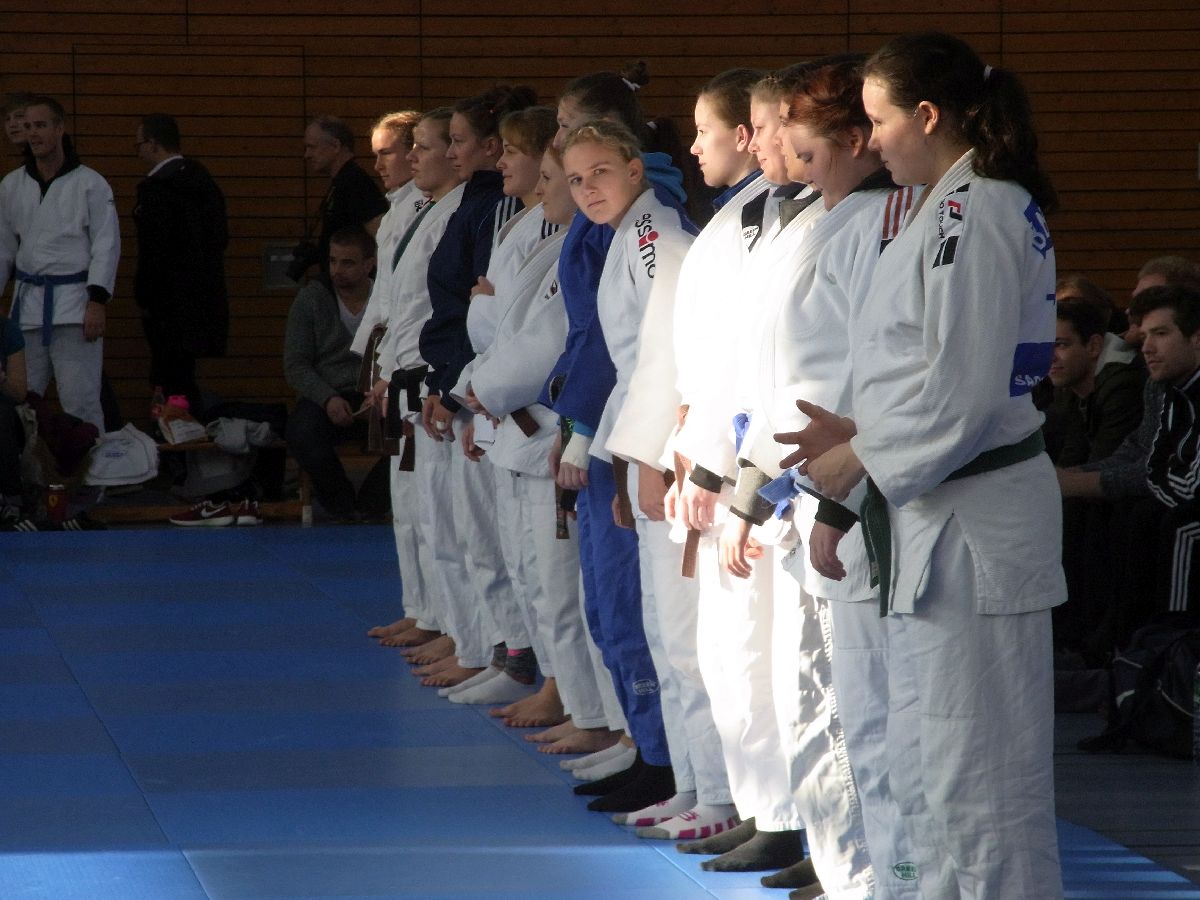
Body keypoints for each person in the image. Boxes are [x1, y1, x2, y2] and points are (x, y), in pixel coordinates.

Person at [789, 32, 1066, 896]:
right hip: (941, 516)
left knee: (977, 780)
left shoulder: (972, 211)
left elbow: (964, 391)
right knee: (929, 765)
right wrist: (862, 430)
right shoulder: (953, 206)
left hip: (972, 525)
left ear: (929, 115)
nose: (872, 142)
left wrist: (862, 455)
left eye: (879, 121)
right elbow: (930, 372)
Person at [415, 85, 536, 690]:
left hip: (485, 388)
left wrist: (456, 389)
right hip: (465, 380)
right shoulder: (477, 206)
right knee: (470, 537)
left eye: (459, 141)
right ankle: (489, 647)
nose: (450, 152)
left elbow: (489, 313)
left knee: (493, 542)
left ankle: (510, 655)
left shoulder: (497, 210)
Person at [364, 107, 467, 663]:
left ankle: (451, 625)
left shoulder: (456, 213)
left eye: (418, 147)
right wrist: (383, 367)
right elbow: (396, 303)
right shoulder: (418, 209)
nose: (411, 158)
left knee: (439, 516)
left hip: (432, 374)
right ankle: (425, 610)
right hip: (406, 369)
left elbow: (431, 309)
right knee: (410, 508)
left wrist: (398, 367)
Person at [0, 95, 120, 434]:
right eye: (28, 127)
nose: (33, 133)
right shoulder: (11, 185)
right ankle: (26, 467)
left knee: (80, 400)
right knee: (23, 401)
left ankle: (91, 465)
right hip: (27, 307)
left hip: (74, 307)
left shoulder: (90, 183)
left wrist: (97, 301)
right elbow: (3, 249)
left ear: (59, 129)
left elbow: (107, 245)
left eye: (40, 125)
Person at [284, 226, 388, 521]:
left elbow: (405, 352)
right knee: (301, 433)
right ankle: (342, 504)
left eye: (347, 262)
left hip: (378, 391)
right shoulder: (311, 299)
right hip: (328, 393)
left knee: (415, 432)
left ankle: (373, 503)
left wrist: (382, 390)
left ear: (369, 264)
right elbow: (295, 364)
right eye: (332, 261)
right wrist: (327, 398)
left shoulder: (387, 300)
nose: (337, 270)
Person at [132, 113, 229, 413]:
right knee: (183, 375)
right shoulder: (204, 183)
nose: (138, 151)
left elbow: (153, 252)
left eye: (139, 144)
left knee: (168, 376)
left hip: (166, 304)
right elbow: (220, 238)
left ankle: (177, 428)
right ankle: (185, 420)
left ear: (153, 144)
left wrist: (144, 294)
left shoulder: (156, 191)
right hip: (202, 299)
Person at [1133, 283, 1200, 615]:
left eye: (1160, 334)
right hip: (1182, 503)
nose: (1147, 348)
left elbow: (1195, 486)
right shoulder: (1174, 389)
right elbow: (1153, 468)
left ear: (1196, 338)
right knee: (1137, 515)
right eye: (1144, 336)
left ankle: (1175, 635)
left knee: (1180, 525)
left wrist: (1171, 477)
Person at [293, 115, 389, 283]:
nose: (306, 155)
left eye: (312, 147)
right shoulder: (344, 182)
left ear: (336, 146)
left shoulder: (355, 183)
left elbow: (382, 238)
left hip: (355, 288)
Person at [0, 311, 28, 524]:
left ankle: (11, 497)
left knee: (2, 415)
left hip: (4, 408)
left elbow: (19, 393)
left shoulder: (7, 330)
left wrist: (1, 379)